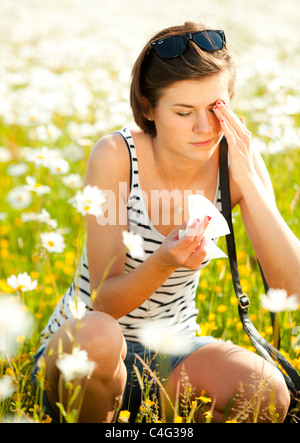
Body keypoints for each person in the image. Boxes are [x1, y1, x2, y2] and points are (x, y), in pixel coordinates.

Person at [32, 21, 299, 423]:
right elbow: (103, 303)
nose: (204, 127)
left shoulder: (236, 159)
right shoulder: (116, 156)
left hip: (173, 352)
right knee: (100, 337)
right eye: (183, 111)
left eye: (215, 108)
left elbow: (291, 290)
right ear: (147, 107)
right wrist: (164, 261)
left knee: (267, 392)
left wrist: (248, 179)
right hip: (85, 352)